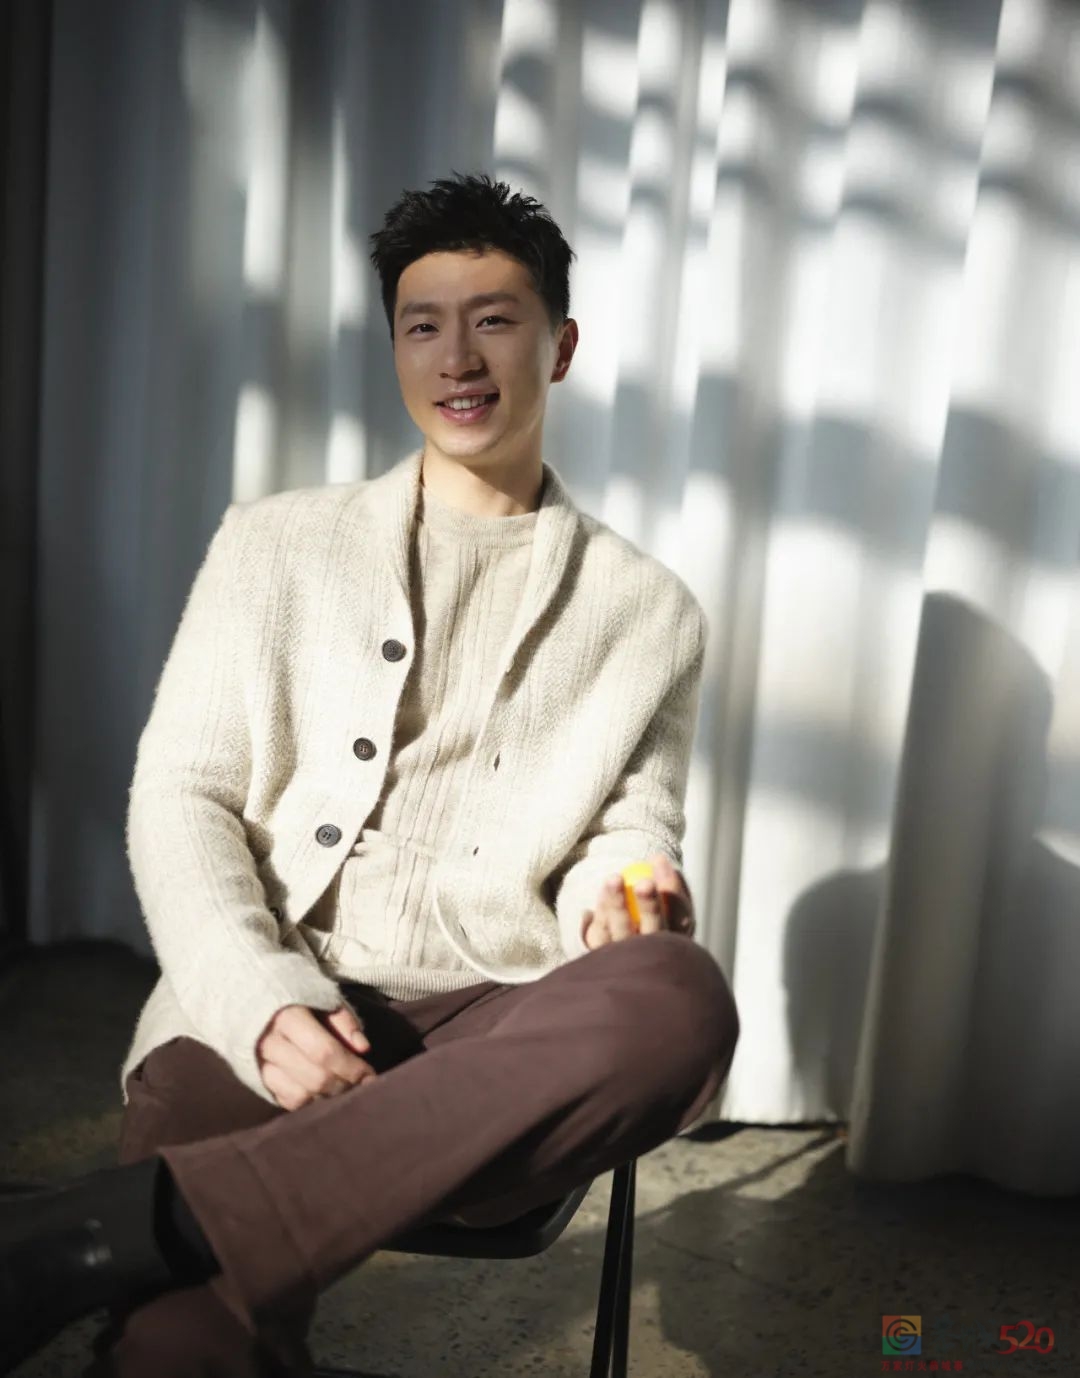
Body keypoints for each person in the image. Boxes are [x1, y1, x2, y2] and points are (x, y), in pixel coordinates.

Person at [0, 172, 739, 1377]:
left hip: (493, 1039)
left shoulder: (648, 611)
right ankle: (197, 1239)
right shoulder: (272, 544)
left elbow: (628, 834)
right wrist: (262, 1002)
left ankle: (139, 1225)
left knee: (681, 997)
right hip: (269, 997)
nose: (458, 357)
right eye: (422, 323)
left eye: (494, 319)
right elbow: (180, 797)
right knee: (179, 1349)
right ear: (393, 345)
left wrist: (627, 896)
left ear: (559, 346)